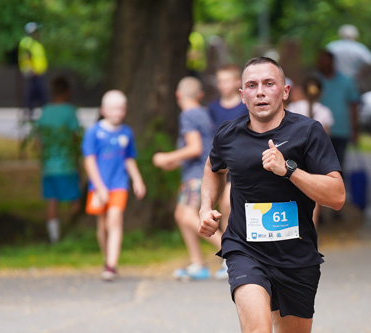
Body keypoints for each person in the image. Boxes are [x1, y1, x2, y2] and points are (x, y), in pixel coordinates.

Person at [197, 56, 345, 333]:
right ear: (241, 93)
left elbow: (335, 196)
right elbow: (213, 168)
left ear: (284, 91)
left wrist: (290, 169)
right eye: (251, 85)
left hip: (296, 258)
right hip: (246, 251)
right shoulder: (229, 134)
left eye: (268, 84)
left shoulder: (307, 133)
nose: (259, 91)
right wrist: (206, 209)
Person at [153, 77, 226, 281]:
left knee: (186, 215)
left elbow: (195, 148)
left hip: (196, 175)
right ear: (200, 95)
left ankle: (232, 253)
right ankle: (198, 264)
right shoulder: (203, 113)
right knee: (181, 214)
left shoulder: (188, 114)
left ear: (178, 95)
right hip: (198, 171)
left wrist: (167, 157)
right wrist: (176, 163)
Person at [81, 90, 146, 281]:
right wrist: (100, 187)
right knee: (102, 226)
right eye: (113, 108)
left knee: (115, 219)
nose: (118, 112)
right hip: (98, 187)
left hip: (119, 185)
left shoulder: (127, 132)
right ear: (103, 110)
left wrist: (137, 179)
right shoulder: (93, 132)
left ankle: (111, 265)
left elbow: (129, 159)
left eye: (121, 108)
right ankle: (107, 258)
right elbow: (89, 162)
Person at [34, 76, 81, 244]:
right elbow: (76, 136)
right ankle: (72, 233)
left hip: (49, 165)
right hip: (67, 164)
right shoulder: (69, 111)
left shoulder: (45, 111)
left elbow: (38, 139)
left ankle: (54, 238)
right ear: (68, 92)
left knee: (51, 201)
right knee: (74, 199)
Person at [287, 76, 334, 227]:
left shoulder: (293, 108)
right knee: (314, 193)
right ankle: (311, 230)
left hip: (295, 156)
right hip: (315, 158)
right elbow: (326, 138)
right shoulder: (325, 112)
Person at [208, 65, 248, 235]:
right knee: (225, 203)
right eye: (220, 81)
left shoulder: (246, 106)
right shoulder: (213, 108)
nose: (222, 85)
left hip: (243, 160)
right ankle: (229, 243)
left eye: (227, 80)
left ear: (237, 82)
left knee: (232, 202)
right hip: (222, 161)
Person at [316, 49, 359, 173]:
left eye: (324, 60)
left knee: (338, 165)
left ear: (332, 62)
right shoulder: (315, 81)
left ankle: (339, 189)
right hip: (320, 129)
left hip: (341, 129)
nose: (321, 63)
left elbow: (354, 105)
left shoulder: (346, 81)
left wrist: (355, 128)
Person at [325, 24, 371, 92]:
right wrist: (362, 73)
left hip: (334, 82)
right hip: (354, 82)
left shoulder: (332, 47)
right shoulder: (359, 48)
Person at [18, 22, 48, 117]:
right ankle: (32, 110)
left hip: (38, 72)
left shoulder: (35, 43)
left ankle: (33, 109)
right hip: (33, 73)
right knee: (37, 91)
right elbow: (26, 57)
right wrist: (31, 69)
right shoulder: (27, 42)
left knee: (35, 91)